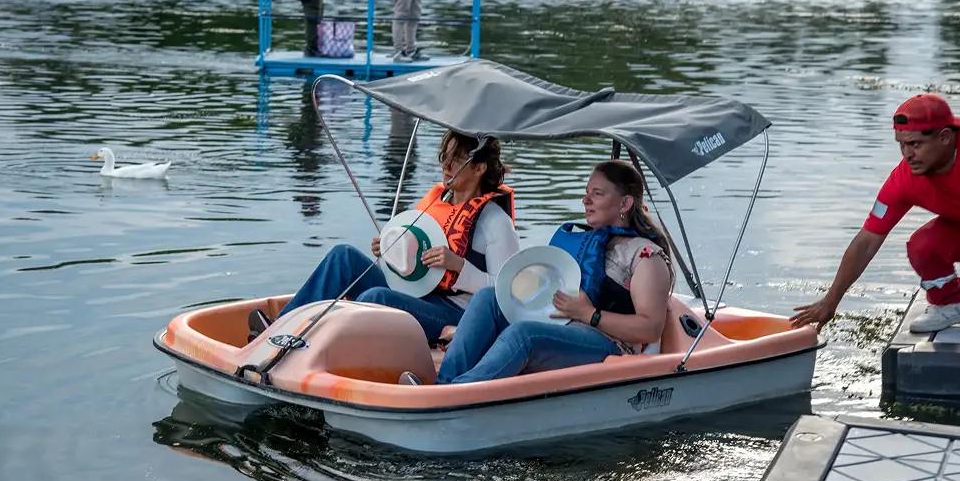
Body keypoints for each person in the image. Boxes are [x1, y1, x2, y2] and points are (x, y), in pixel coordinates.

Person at [790, 94, 960, 350]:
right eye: (902, 145)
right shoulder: (904, 179)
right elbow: (866, 241)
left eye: (915, 144)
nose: (907, 155)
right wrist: (831, 301)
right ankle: (950, 304)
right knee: (922, 245)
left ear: (944, 137)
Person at [402, 159, 673, 386]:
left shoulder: (645, 256)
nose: (585, 200)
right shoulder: (588, 241)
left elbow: (650, 328)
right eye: (586, 192)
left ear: (625, 204)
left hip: (608, 343)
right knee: (488, 297)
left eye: (597, 194)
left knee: (525, 334)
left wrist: (589, 315)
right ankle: (444, 383)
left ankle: (453, 394)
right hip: (563, 325)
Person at [251, 132, 519, 343]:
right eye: (444, 157)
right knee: (343, 256)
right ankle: (279, 332)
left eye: (457, 161)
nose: (446, 166)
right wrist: (389, 253)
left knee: (376, 298)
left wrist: (459, 267)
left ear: (480, 167)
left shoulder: (496, 222)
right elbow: (410, 266)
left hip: (458, 314)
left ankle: (312, 346)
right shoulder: (437, 202)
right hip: (419, 294)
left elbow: (508, 293)